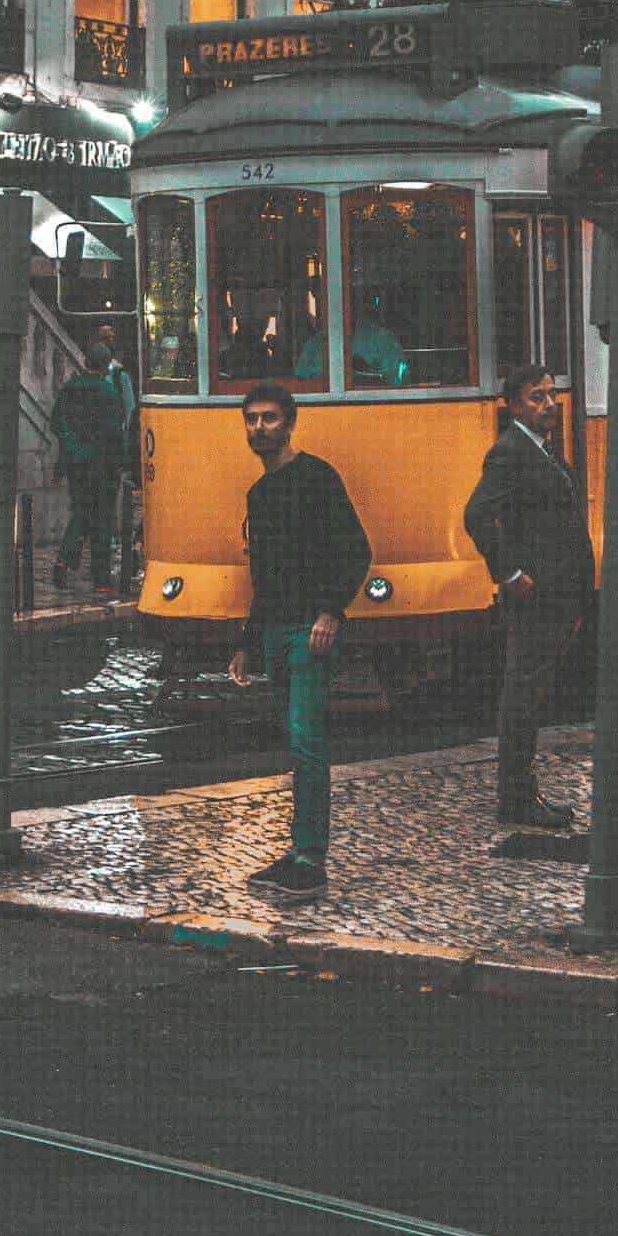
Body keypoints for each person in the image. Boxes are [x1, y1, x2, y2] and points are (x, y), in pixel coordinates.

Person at [229, 382, 371, 906]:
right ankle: (297, 850)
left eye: (269, 418)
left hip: (310, 630)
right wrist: (247, 642)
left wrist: (331, 611)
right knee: (294, 741)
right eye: (251, 419)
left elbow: (356, 549)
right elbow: (264, 576)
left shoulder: (316, 477)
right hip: (274, 631)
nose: (259, 428)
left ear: (289, 424)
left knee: (307, 740)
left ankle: (311, 859)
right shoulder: (259, 493)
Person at [463, 365, 593, 830]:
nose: (549, 404)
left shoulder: (542, 448)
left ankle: (523, 792)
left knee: (531, 695)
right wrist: (509, 573)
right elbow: (477, 514)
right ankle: (517, 798)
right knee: (522, 695)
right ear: (514, 406)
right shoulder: (510, 452)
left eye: (551, 395)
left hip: (558, 595)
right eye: (537, 397)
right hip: (536, 597)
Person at [50, 338, 127, 594]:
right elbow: (115, 433)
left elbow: (57, 424)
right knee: (102, 519)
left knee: (82, 512)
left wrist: (68, 454)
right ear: (105, 366)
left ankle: (64, 560)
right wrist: (119, 462)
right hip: (102, 464)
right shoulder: (108, 392)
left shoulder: (69, 388)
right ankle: (101, 577)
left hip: (76, 463)